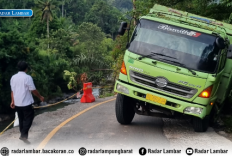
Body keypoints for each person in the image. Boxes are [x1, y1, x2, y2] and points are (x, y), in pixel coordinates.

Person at [10, 61, 44, 144]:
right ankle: (23, 135)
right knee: (29, 118)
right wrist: (40, 97)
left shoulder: (13, 77)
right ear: (26, 69)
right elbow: (33, 90)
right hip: (26, 103)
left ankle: (23, 135)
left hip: (17, 103)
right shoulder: (27, 77)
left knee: (21, 119)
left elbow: (12, 91)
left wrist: (12, 101)